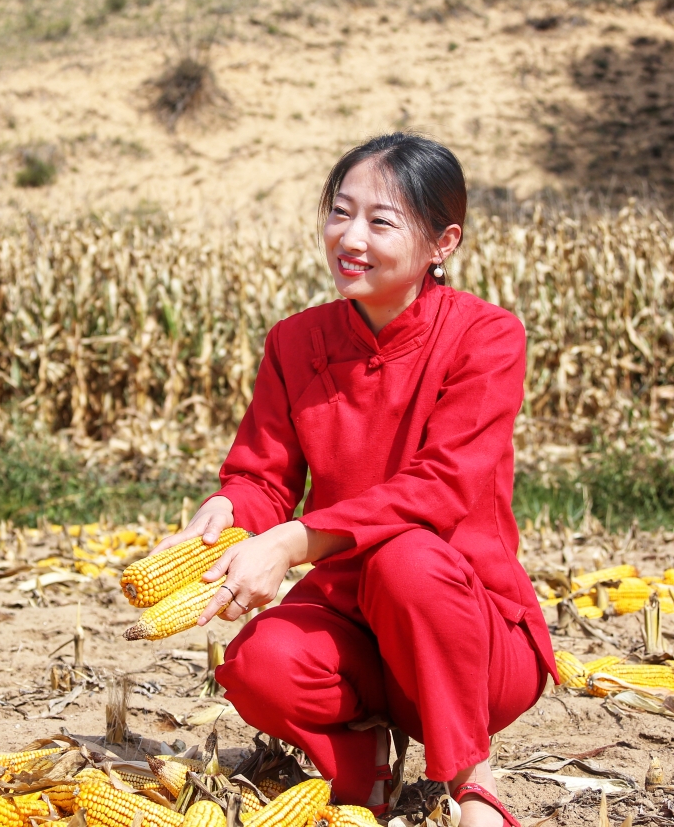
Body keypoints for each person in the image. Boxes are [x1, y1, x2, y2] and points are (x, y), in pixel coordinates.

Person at [148, 133, 557, 827]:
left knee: (406, 561)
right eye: (340, 212)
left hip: (471, 640)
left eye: (380, 220)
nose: (350, 237)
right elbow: (263, 477)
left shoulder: (487, 337)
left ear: (442, 243)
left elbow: (443, 489)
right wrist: (227, 507)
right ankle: (361, 765)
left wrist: (295, 541)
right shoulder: (296, 343)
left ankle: (471, 782)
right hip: (356, 632)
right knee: (258, 664)